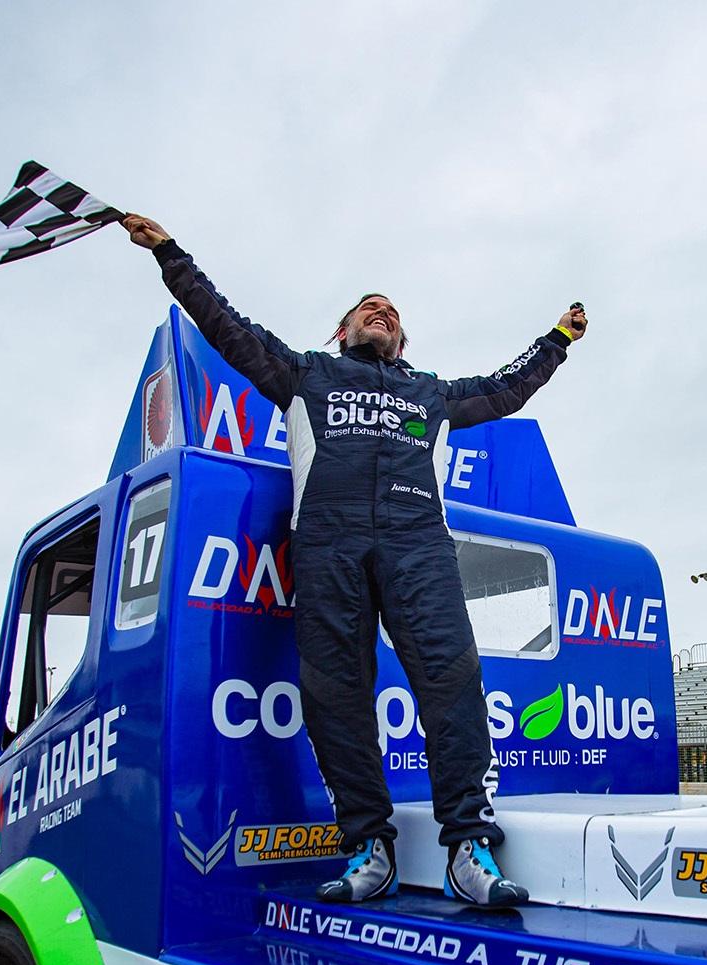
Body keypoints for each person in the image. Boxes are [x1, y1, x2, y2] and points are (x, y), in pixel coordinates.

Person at [121, 213, 589, 908]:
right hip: (327, 546)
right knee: (335, 699)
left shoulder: (431, 393)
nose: (384, 313)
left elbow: (506, 385)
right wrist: (169, 254)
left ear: (401, 341)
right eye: (370, 308)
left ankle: (467, 847)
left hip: (418, 544)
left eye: (394, 314)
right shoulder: (306, 374)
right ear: (341, 332)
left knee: (453, 684)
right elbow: (225, 324)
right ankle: (370, 848)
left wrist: (556, 341)